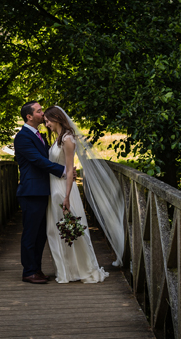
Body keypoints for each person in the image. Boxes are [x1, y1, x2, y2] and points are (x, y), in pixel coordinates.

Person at [42, 105, 125, 283]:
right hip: (53, 189)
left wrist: (66, 196)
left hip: (64, 190)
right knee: (56, 231)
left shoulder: (68, 139)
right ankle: (66, 271)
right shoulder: (58, 137)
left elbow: (70, 170)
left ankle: (85, 269)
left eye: (48, 120)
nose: (46, 123)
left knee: (74, 232)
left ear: (56, 118)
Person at [14, 101, 68, 284]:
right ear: (29, 117)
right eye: (39, 111)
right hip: (31, 191)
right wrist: (63, 171)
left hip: (42, 190)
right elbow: (38, 160)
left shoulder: (39, 136)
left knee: (40, 233)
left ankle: (36, 268)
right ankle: (28, 271)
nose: (43, 113)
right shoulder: (22, 137)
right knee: (31, 232)